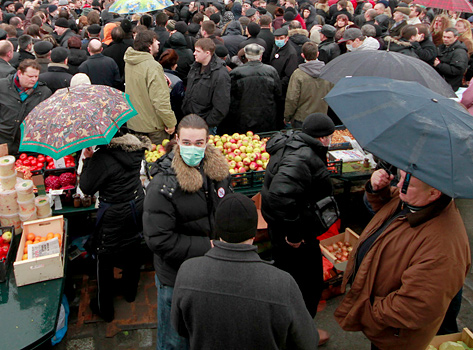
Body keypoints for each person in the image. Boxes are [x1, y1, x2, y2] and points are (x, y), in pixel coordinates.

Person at [334, 168, 470, 350]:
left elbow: (415, 306)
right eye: (400, 178)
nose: (398, 185)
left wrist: (368, 312)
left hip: (394, 335)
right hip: (383, 324)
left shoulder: (443, 249)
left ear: (434, 192)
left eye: (407, 183)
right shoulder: (419, 200)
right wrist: (378, 190)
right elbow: (390, 213)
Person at [171, 193, 318, 350]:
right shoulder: (282, 283)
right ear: (255, 233)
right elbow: (308, 342)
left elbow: (180, 328)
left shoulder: (188, 273)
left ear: (217, 230)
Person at [143, 114, 232, 350]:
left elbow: (225, 207)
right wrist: (209, 247)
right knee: (174, 339)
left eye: (199, 143)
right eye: (187, 143)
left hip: (211, 269)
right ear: (176, 140)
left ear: (207, 142)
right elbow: (159, 240)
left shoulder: (217, 172)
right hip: (176, 277)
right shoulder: (163, 184)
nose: (193, 148)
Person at [261, 113, 336, 345]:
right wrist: (294, 234)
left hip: (281, 226)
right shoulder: (302, 157)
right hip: (292, 233)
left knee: (289, 277)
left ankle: (293, 329)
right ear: (323, 138)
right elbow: (280, 195)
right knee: (307, 283)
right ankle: (300, 334)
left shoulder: (293, 143)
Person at [79, 130, 149, 323]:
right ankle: (130, 293)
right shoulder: (135, 148)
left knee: (104, 257)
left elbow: (86, 186)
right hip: (136, 206)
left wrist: (88, 160)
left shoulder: (102, 157)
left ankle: (105, 310)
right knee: (133, 248)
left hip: (113, 212)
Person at [0, 60, 52, 155]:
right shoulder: (1, 86)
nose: (34, 80)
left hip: (29, 146)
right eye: (30, 76)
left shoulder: (44, 92)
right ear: (20, 73)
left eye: (36, 76)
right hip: (4, 140)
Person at [124, 30, 177, 146]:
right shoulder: (153, 66)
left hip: (134, 123)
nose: (158, 42)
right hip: (153, 127)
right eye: (155, 41)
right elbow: (160, 100)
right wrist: (171, 122)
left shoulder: (130, 62)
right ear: (149, 46)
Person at [224, 43, 283, 134]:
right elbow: (278, 95)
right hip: (266, 117)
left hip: (242, 118)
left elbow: (230, 97)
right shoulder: (271, 71)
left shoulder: (236, 73)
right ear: (260, 56)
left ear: (246, 56)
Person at [182, 38, 230, 133]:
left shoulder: (220, 74)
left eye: (198, 51)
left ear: (207, 53)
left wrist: (207, 123)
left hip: (206, 126)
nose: (194, 53)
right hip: (190, 120)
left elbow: (221, 105)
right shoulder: (195, 67)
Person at [285, 42, 333, 129]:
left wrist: (287, 116)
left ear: (303, 55)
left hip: (302, 118)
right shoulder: (328, 72)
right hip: (321, 116)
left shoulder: (298, 74)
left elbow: (292, 98)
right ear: (317, 54)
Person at [268, 26, 301, 100]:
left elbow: (289, 75)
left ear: (287, 38)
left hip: (281, 90)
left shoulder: (291, 53)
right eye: (277, 38)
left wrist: (278, 86)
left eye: (281, 38)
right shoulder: (276, 48)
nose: (279, 40)